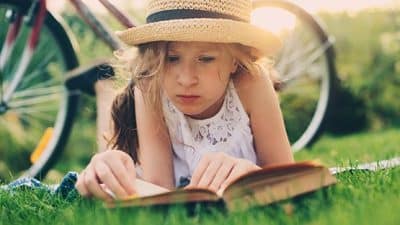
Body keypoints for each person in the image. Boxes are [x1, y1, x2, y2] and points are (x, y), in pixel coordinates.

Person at [75, 0, 294, 202]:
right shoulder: (150, 86)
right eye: (172, 58)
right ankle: (103, 85)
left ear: (235, 61)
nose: (187, 79)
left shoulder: (252, 83)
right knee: (107, 159)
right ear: (155, 58)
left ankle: (103, 85)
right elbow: (159, 187)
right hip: (162, 174)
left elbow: (291, 177)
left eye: (206, 59)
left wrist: (250, 175)